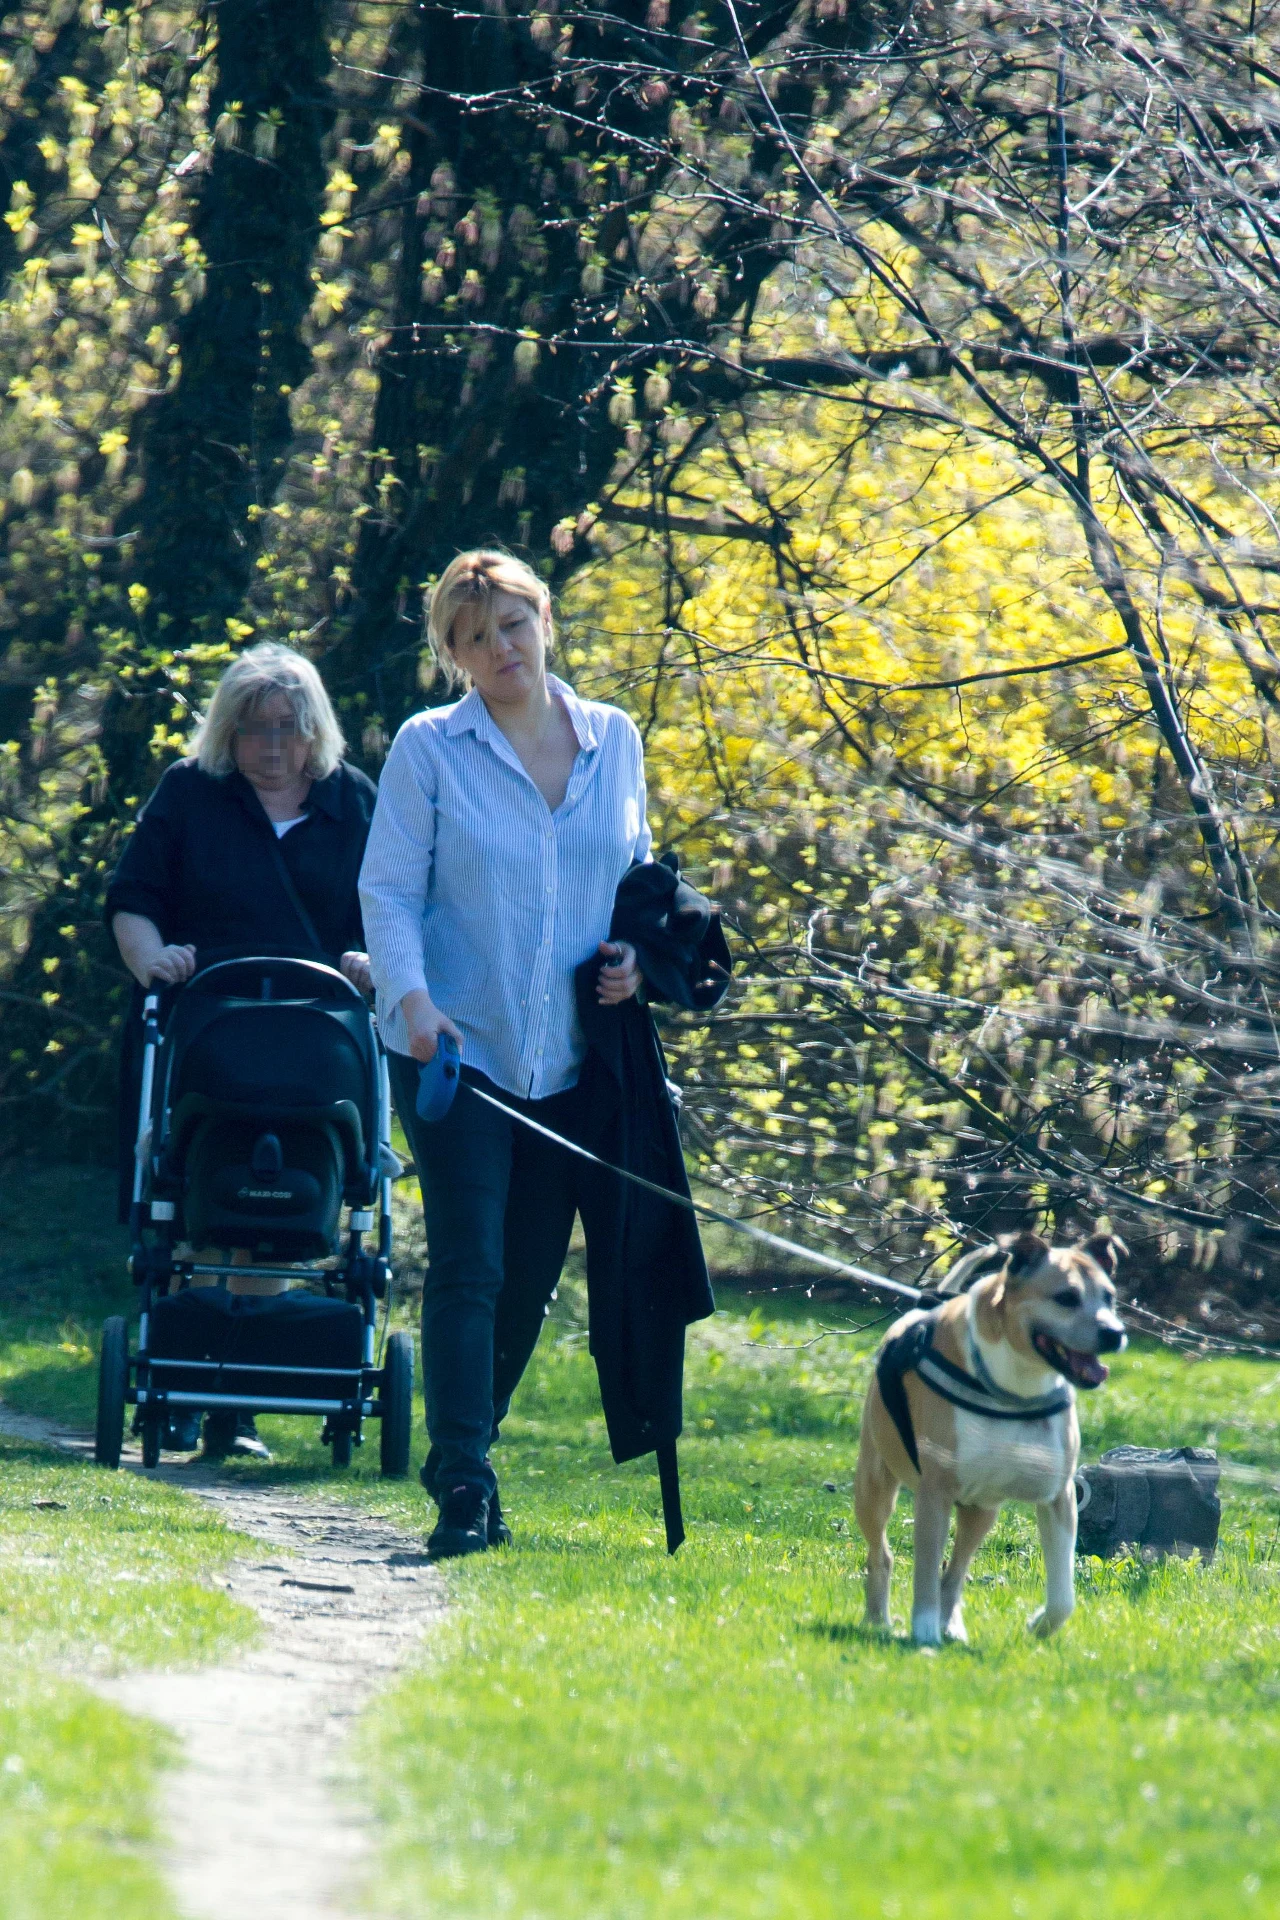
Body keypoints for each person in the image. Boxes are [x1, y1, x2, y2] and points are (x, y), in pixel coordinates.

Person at [359, 549, 655, 1558]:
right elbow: (389, 890)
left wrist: (632, 959)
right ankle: (468, 1485)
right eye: (474, 637)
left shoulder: (613, 740)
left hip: (570, 1065)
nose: (500, 650)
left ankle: (457, 1450)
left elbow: (635, 877)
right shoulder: (429, 749)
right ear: (451, 654)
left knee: (526, 1280)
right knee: (471, 1262)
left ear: (544, 622)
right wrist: (413, 1001)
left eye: (512, 626)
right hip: (454, 1050)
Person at [105, 642, 377, 1457]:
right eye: (254, 730)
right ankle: (188, 1374)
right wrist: (150, 958)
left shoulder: (353, 803)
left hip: (315, 1050)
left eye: (287, 730)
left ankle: (238, 1402)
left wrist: (372, 956)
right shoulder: (190, 795)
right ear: (229, 731)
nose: (270, 747)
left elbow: (396, 906)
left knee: (282, 1196)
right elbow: (133, 899)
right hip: (206, 1041)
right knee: (202, 1192)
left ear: (312, 731)